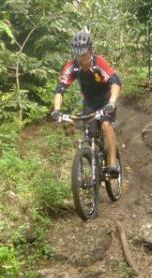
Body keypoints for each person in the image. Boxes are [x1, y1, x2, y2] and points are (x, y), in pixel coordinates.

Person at [51, 30, 122, 175]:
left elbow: (115, 81)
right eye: (78, 54)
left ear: (90, 51)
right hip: (89, 103)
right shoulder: (72, 66)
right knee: (90, 133)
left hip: (105, 101)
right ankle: (94, 161)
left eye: (84, 54)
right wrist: (57, 110)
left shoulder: (98, 63)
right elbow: (60, 89)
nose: (81, 58)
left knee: (106, 125)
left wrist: (112, 101)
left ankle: (113, 163)